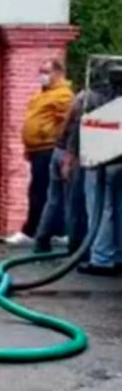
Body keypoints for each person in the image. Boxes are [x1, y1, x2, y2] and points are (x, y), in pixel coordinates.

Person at [6, 60, 73, 245]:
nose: (42, 75)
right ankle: (52, 231)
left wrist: (54, 138)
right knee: (41, 190)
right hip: (37, 149)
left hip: (49, 147)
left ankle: (34, 231)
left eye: (46, 71)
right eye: (40, 71)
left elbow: (68, 123)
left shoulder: (63, 96)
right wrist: (29, 147)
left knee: (40, 191)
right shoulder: (40, 94)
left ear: (58, 73)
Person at [64, 62, 122, 275]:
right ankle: (117, 255)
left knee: (100, 208)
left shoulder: (91, 97)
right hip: (117, 160)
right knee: (118, 208)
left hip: (99, 160)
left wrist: (71, 156)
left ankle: (101, 258)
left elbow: (79, 127)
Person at [33, 90, 87, 254]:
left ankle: (41, 240)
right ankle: (75, 248)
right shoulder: (90, 100)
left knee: (54, 201)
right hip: (71, 156)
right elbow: (77, 131)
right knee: (74, 204)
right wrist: (70, 159)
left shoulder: (81, 96)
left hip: (59, 151)